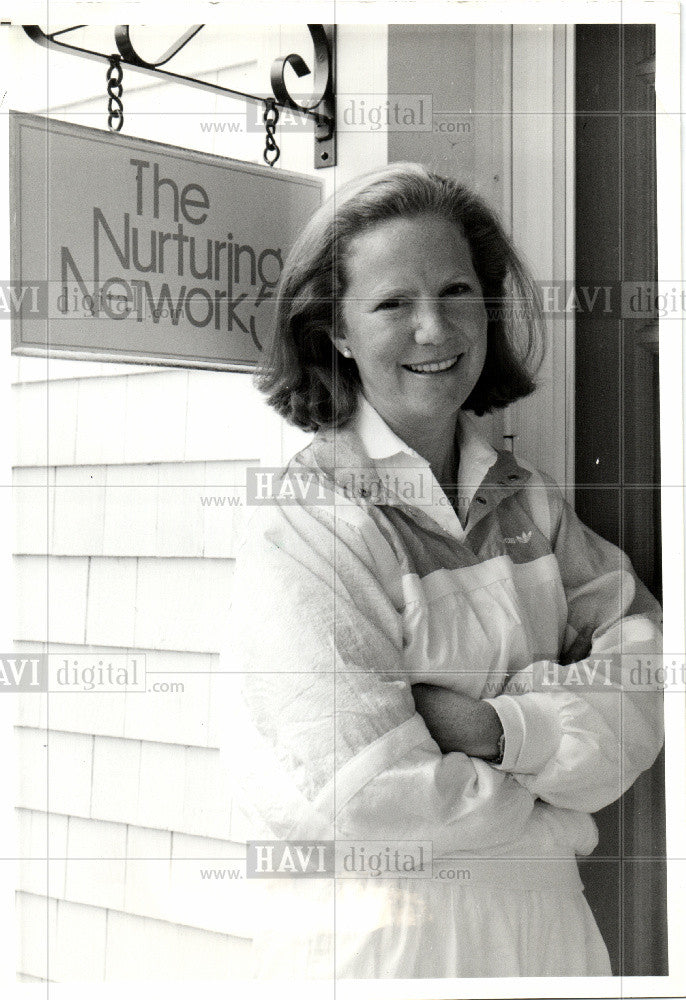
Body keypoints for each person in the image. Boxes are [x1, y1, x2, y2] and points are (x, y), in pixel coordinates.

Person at [219, 163, 663, 980]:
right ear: (338, 331)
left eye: (457, 291)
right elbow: (367, 796)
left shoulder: (526, 501)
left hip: (553, 939)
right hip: (389, 951)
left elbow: (654, 668)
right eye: (393, 302)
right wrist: (558, 803)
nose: (435, 328)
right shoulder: (308, 520)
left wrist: (499, 730)